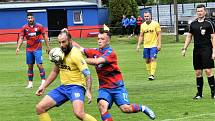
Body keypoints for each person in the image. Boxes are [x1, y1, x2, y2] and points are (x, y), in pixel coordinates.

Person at [79, 29, 155, 121]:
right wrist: (68, 38)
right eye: (98, 38)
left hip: (117, 87)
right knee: (102, 106)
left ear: (108, 40)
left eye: (102, 39)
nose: (99, 41)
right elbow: (80, 49)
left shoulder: (111, 53)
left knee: (125, 109)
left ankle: (143, 108)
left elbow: (97, 61)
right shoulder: (94, 51)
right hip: (104, 88)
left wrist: (80, 61)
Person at [35, 29, 97, 121]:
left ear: (70, 40)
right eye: (59, 42)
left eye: (63, 42)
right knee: (40, 108)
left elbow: (88, 74)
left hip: (77, 87)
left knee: (79, 113)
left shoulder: (75, 54)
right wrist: (44, 86)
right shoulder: (60, 53)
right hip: (63, 88)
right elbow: (55, 71)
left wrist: (88, 90)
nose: (61, 45)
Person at [181, 4, 215, 99]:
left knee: (208, 71)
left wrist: (214, 51)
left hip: (207, 49)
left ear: (205, 12)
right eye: (198, 11)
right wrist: (184, 48)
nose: (199, 12)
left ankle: (213, 93)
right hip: (197, 50)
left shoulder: (209, 23)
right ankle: (199, 94)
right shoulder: (193, 24)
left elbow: (213, 37)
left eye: (201, 11)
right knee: (198, 72)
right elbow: (189, 36)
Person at [16, 12, 50, 88]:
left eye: (31, 18)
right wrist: (18, 47)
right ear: (27, 19)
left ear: (33, 18)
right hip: (29, 50)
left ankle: (43, 82)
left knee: (39, 65)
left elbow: (45, 37)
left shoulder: (39, 26)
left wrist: (48, 47)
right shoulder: (24, 28)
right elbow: (21, 38)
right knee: (30, 66)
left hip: (38, 49)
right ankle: (30, 83)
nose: (30, 19)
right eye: (29, 18)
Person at [136, 11, 161, 80]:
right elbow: (141, 36)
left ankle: (152, 75)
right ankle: (150, 74)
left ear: (150, 16)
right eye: (145, 16)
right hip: (146, 46)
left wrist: (159, 44)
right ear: (144, 17)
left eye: (147, 16)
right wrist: (138, 45)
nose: (146, 18)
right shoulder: (143, 25)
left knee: (153, 59)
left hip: (154, 45)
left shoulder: (155, 24)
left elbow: (159, 34)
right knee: (147, 60)